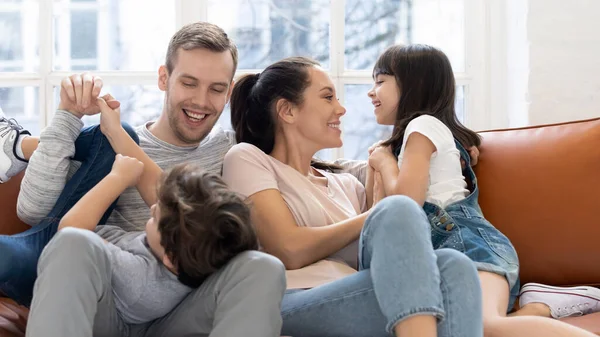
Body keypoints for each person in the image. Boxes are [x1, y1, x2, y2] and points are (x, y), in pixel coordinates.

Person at [0, 22, 286, 337]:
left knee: (263, 267)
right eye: (189, 83)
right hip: (109, 309)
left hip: (188, 312)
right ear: (164, 78)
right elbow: (36, 215)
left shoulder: (239, 153)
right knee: (73, 242)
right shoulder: (109, 148)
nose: (201, 101)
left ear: (229, 91)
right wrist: (67, 116)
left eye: (216, 88)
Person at [222, 56, 483, 337]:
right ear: (287, 110)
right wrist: (373, 216)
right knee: (397, 208)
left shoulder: (345, 181)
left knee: (455, 267)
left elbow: (397, 163)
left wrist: (456, 143)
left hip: (357, 292)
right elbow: (288, 249)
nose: (341, 109)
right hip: (291, 298)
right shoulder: (248, 159)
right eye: (327, 97)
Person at [365, 43, 597, 337]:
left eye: (380, 81)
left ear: (414, 84)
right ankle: (538, 306)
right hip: (442, 257)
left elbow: (406, 205)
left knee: (485, 326)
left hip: (468, 245)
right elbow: (380, 220)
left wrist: (384, 163)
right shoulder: (411, 141)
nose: (371, 92)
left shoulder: (422, 127)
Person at [28, 148, 264, 336]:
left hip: (65, 266)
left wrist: (118, 177)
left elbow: (71, 233)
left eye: (154, 218)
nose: (152, 207)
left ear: (170, 259)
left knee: (66, 242)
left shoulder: (143, 281)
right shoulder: (196, 255)